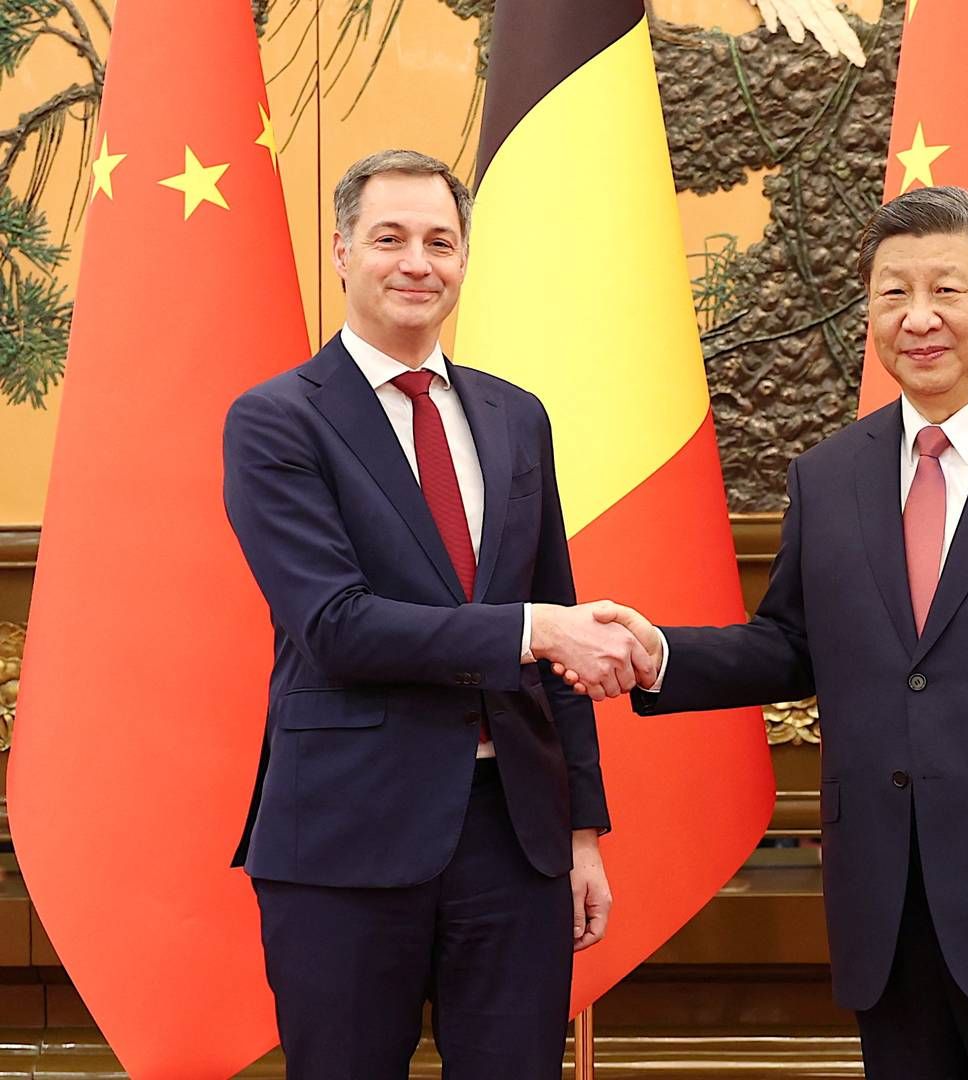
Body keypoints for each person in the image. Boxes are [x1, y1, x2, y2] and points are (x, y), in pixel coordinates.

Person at [572, 186, 968, 1078]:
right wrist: (658, 655)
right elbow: (792, 642)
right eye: (891, 293)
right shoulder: (829, 474)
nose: (919, 319)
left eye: (947, 290)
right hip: (890, 909)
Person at [222, 148, 651, 1079]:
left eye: (441, 241)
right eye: (390, 238)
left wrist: (581, 831)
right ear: (341, 252)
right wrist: (531, 629)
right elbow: (335, 623)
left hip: (516, 837)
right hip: (346, 835)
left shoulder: (514, 416)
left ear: (464, 258)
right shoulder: (276, 420)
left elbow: (560, 620)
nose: (418, 262)